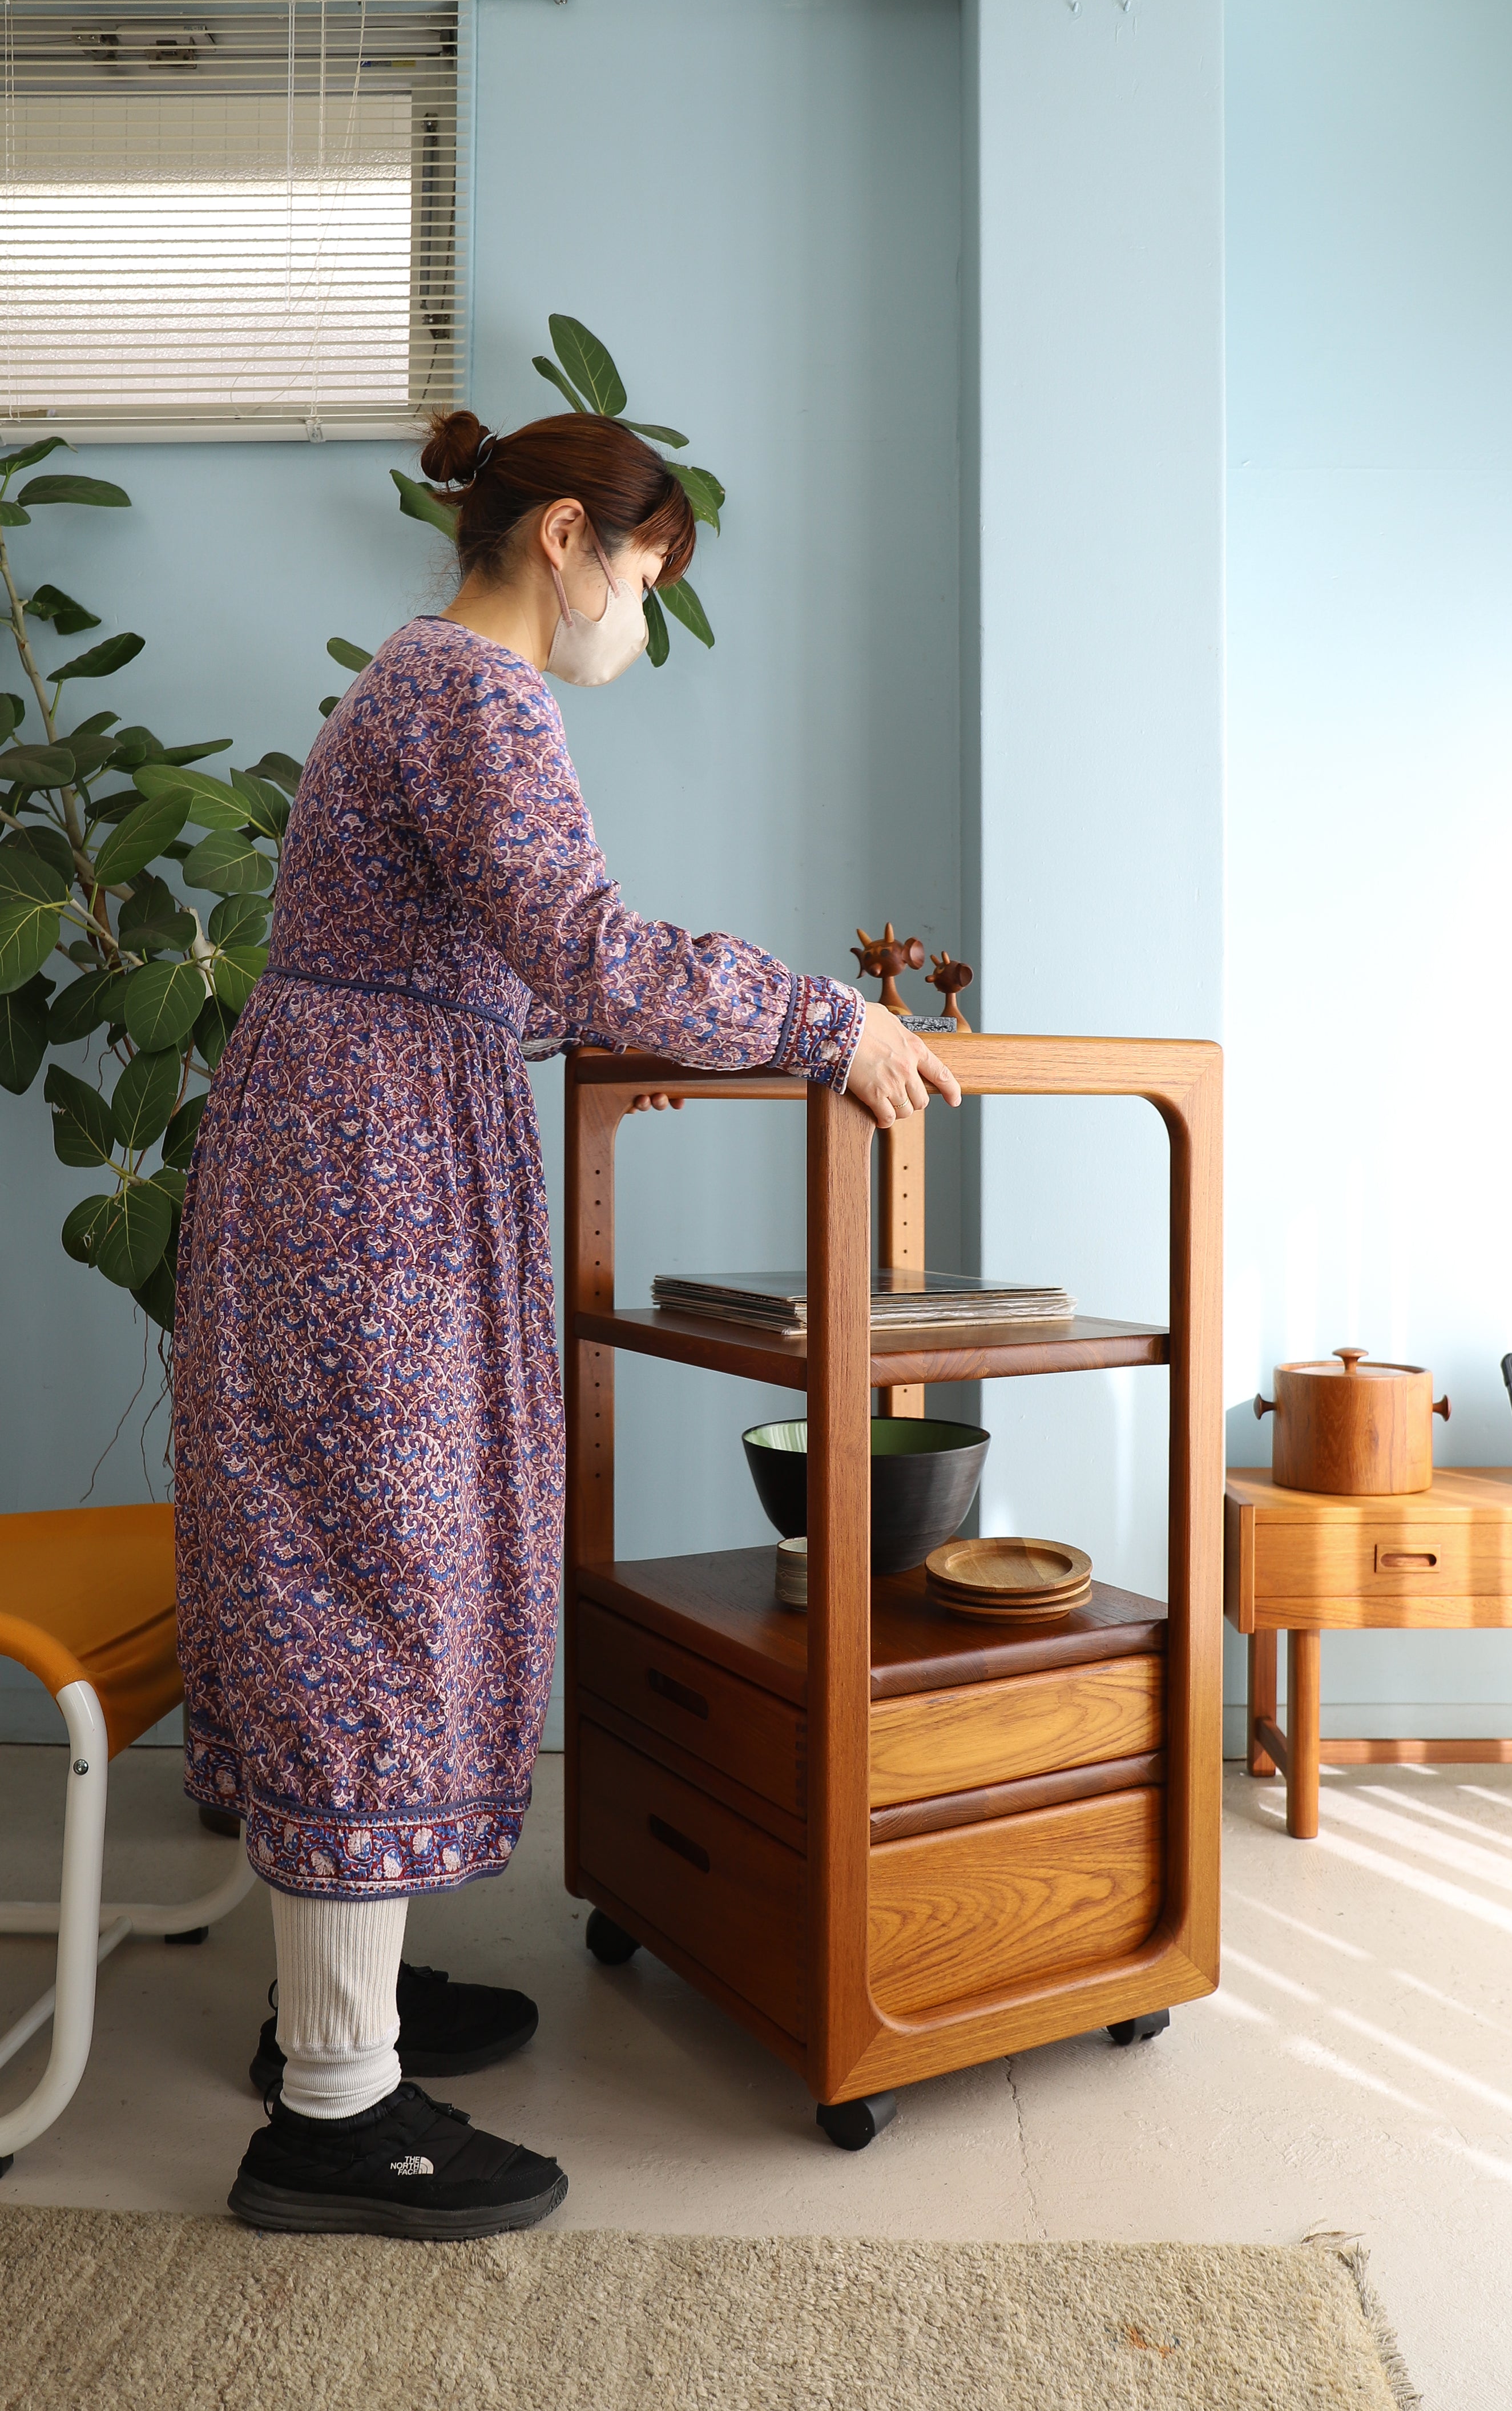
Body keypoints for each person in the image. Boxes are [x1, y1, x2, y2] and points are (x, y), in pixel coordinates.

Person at [173, 406, 960, 2240]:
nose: (637, 619)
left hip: (353, 1154)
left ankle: (335, 2007)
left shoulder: (412, 682)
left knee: (362, 1566)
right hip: (364, 1184)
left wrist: (624, 1035)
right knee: (376, 1582)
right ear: (559, 539)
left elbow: (458, 959)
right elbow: (583, 938)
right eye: (642, 576)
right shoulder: (477, 694)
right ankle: (333, 2110)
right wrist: (819, 1021)